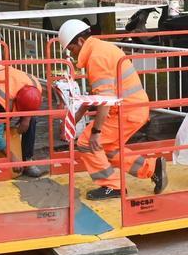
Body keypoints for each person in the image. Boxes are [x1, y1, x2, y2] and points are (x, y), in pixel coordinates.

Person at [57, 19, 168, 200]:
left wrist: (96, 131)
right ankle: (151, 168)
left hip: (127, 111)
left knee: (86, 143)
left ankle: (113, 186)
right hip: (133, 108)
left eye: (71, 49)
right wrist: (73, 120)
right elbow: (98, 96)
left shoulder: (96, 58)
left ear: (80, 42)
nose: (72, 54)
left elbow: (104, 99)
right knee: (108, 149)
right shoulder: (100, 49)